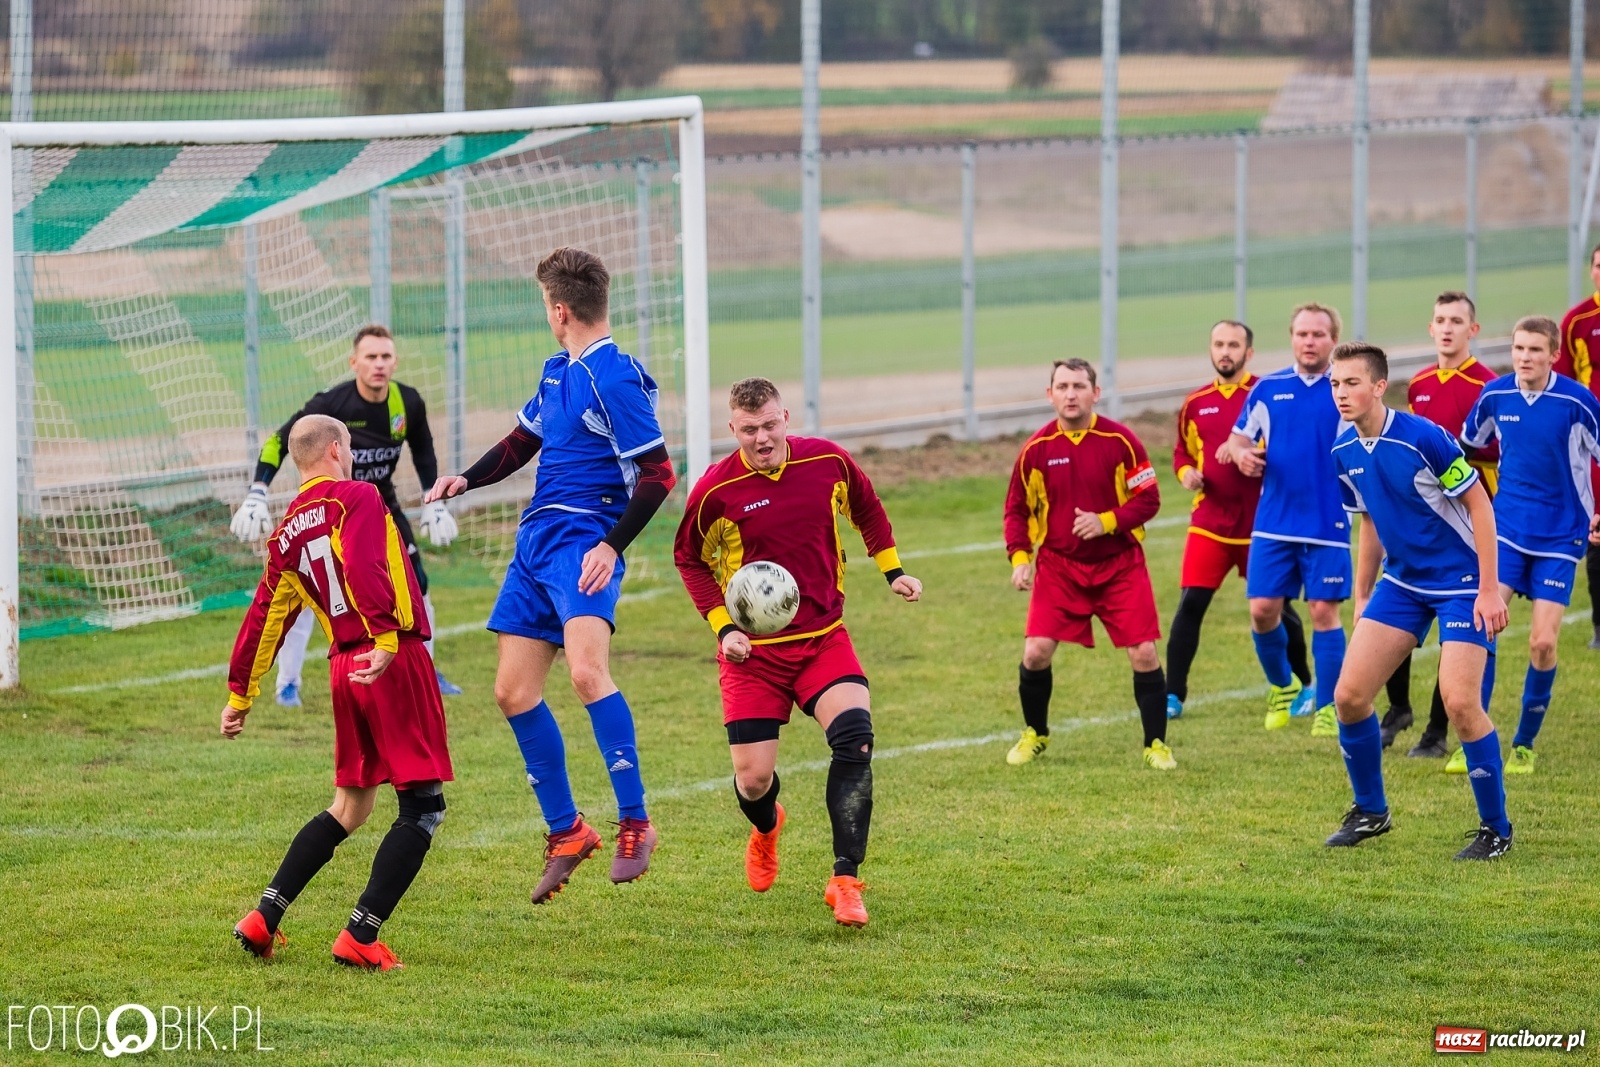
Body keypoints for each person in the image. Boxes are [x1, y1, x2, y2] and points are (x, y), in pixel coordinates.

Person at [425, 247, 675, 902]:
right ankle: (567, 831)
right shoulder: (559, 370)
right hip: (535, 543)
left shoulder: (614, 377)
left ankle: (636, 821)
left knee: (588, 673)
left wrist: (611, 546)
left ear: (559, 309)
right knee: (512, 691)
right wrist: (465, 479)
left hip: (583, 541)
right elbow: (521, 442)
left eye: (545, 305)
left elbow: (659, 474)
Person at [673, 377, 921, 928]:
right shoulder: (715, 491)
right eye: (749, 430)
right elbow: (690, 560)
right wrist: (723, 628)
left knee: (855, 740)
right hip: (752, 657)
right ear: (732, 428)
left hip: (822, 639)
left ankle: (846, 880)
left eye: (770, 425)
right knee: (753, 781)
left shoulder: (827, 461)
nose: (762, 438)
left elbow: (867, 508)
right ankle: (767, 827)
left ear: (785, 417)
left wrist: (893, 571)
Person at [226, 415, 453, 969]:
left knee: (350, 806)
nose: (350, 456)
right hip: (386, 658)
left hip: (343, 667)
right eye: (348, 447)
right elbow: (367, 564)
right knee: (423, 809)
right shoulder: (357, 497)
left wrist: (240, 694)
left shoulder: (285, 534)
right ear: (334, 449)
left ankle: (263, 917)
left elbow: (265, 618)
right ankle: (360, 934)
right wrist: (385, 636)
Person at [1322, 342, 1512, 860]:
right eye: (1336, 383)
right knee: (1349, 697)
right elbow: (1369, 520)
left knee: (1461, 703)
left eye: (1352, 383)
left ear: (1379, 386)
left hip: (1461, 582)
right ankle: (1371, 811)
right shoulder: (1342, 450)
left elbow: (1480, 505)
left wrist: (1489, 588)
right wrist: (1363, 593)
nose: (1341, 393)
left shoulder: (1424, 437)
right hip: (1402, 583)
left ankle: (1496, 829)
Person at [229, 324, 462, 703]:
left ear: (395, 361)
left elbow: (423, 450)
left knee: (417, 585)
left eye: (386, 356)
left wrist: (433, 500)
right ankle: (288, 683)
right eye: (371, 357)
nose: (379, 364)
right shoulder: (333, 404)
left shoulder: (407, 402)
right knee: (308, 589)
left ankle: (427, 669)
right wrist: (258, 491)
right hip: (330, 509)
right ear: (354, 362)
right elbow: (279, 440)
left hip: (380, 506)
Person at [1004, 358, 1173, 770]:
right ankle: (1036, 733)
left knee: (1144, 653)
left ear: (1095, 393)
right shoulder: (1036, 449)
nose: (1071, 394)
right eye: (1062, 387)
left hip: (1120, 565)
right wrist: (1021, 558)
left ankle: (1156, 744)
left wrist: (1106, 521)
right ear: (1050, 395)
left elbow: (1149, 499)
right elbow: (1016, 510)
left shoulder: (1122, 441)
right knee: (1036, 653)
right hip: (1060, 568)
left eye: (1079, 386)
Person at [1459, 315, 1600, 776]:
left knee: (1542, 643)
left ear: (1554, 355)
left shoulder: (1578, 401)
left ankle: (1523, 744)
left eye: (1535, 350)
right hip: (1507, 530)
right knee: (1481, 626)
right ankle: (1474, 738)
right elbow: (1469, 445)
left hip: (1561, 533)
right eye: (1518, 348)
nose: (1524, 357)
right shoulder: (1495, 395)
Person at [1165, 320, 1312, 720]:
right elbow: (1182, 452)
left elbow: (1292, 450)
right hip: (1210, 523)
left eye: (1233, 345)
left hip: (1263, 525)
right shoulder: (1196, 403)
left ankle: (1304, 685)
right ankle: (1172, 695)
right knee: (1191, 605)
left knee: (1277, 609)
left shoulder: (1269, 394)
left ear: (1249, 353)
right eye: (1218, 344)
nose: (1225, 351)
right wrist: (1186, 473)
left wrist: (1249, 455)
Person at [1222, 303, 1350, 736]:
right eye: (1302, 334)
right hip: (1274, 521)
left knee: (1323, 611)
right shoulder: (1268, 388)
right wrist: (1242, 455)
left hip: (1328, 521)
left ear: (1333, 340)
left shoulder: (1345, 388)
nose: (1309, 341)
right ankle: (1283, 685)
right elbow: (1238, 438)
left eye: (1318, 334)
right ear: (1292, 338)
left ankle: (1328, 706)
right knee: (1262, 610)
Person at [1384, 291, 1499, 757]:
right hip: (1419, 518)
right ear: (1431, 328)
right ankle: (1398, 707)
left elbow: (1500, 451)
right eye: (1440, 320)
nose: (1447, 328)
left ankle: (1436, 731)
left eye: (1456, 320)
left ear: (1473, 330)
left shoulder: (1488, 386)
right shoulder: (1420, 384)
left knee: (1455, 624)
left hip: (1466, 521)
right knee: (1397, 608)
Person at [1561, 243, 1600, 648]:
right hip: (1594, 442)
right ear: (1591, 271)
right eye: (1599, 265)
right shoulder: (1577, 321)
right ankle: (1599, 626)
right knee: (1597, 528)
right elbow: (1564, 383)